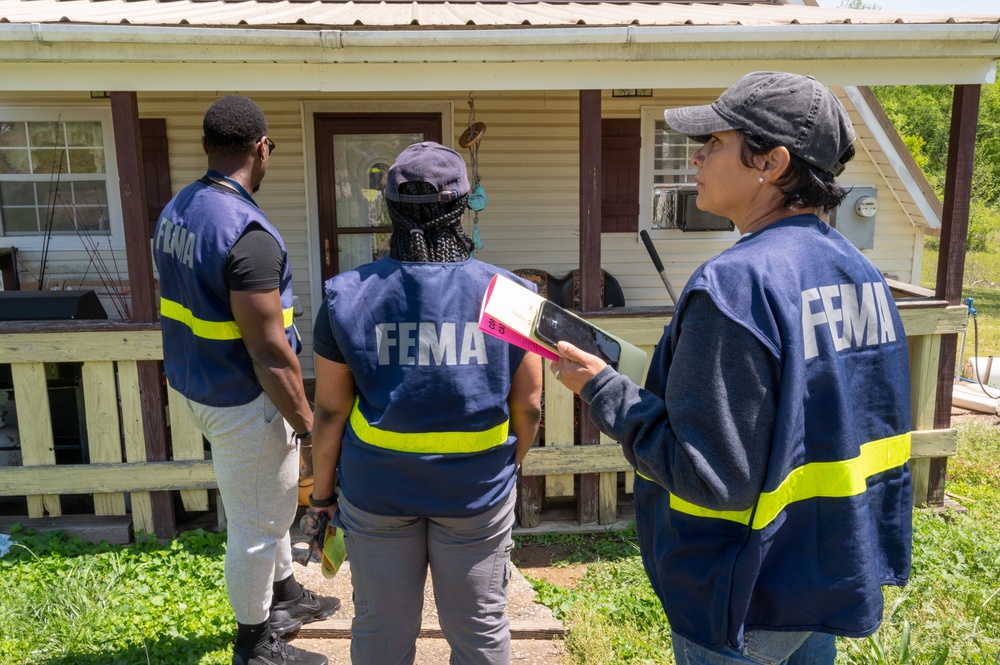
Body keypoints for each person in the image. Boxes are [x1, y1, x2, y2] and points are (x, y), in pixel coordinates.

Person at [549, 72, 913, 664]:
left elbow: (710, 476)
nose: (696, 156)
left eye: (714, 142)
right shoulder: (857, 270)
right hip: (820, 570)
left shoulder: (735, 283)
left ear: (771, 162)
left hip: (742, 594)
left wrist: (602, 389)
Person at [306, 141, 543, 665]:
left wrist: (322, 496)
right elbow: (528, 406)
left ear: (388, 210)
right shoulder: (513, 295)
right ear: (462, 209)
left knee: (381, 631)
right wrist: (506, 465)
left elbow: (328, 413)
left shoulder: (347, 296)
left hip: (377, 493)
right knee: (480, 631)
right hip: (476, 493)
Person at [153, 94, 339, 665]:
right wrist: (308, 427)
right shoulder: (247, 234)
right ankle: (255, 643)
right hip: (244, 395)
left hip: (195, 382)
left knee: (270, 500)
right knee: (258, 523)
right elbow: (269, 352)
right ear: (260, 148)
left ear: (208, 148)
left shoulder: (179, 208)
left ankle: (283, 594)